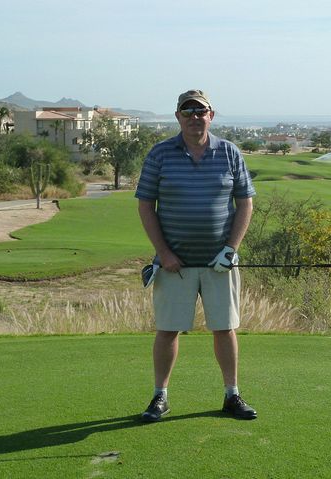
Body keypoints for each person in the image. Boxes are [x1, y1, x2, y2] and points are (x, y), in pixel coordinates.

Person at [135, 89, 257, 421]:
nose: (194, 117)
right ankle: (160, 396)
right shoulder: (160, 154)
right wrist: (163, 252)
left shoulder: (229, 152)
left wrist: (231, 250)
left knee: (225, 328)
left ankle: (232, 395)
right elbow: (146, 204)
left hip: (220, 262)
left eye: (200, 111)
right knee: (168, 329)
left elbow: (245, 202)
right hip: (175, 264)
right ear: (178, 117)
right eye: (187, 112)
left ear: (211, 115)